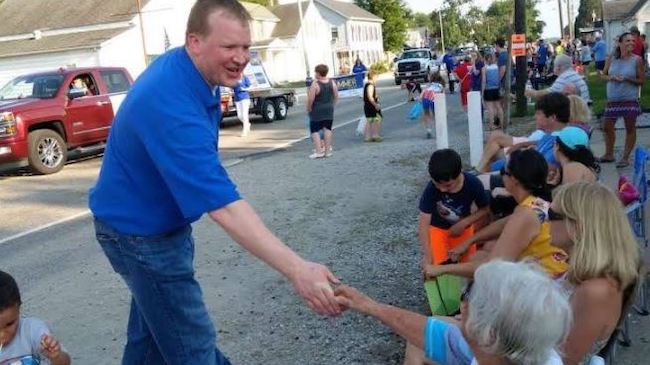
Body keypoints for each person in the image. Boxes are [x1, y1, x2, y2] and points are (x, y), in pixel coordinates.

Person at [88, 1, 341, 364]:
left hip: (150, 227)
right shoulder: (170, 102)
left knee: (151, 345)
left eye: (245, 47)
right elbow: (222, 205)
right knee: (193, 349)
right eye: (229, 47)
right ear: (194, 41)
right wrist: (298, 270)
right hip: (139, 237)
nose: (241, 58)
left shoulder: (192, 72)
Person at [334, 260, 572, 365]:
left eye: (469, 295)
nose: (463, 303)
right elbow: (433, 335)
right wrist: (369, 306)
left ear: (487, 334)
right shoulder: (517, 350)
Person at [435, 149, 570, 279]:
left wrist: (442, 269)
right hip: (557, 269)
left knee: (479, 260)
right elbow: (502, 224)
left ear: (515, 179)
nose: (501, 176)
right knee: (481, 253)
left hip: (547, 282)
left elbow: (493, 267)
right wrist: (469, 241)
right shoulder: (537, 203)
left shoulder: (525, 213)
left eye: (503, 171)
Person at [549, 183, 641, 364]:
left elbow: (562, 360)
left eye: (551, 215)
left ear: (578, 226)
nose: (544, 221)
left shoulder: (596, 290)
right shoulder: (591, 276)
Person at [418, 149, 489, 273]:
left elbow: (485, 209)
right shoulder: (431, 189)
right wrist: (427, 255)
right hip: (438, 230)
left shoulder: (473, 184)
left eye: (448, 185)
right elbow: (423, 223)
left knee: (467, 266)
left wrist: (464, 223)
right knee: (438, 267)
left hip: (464, 230)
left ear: (460, 172)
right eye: (437, 184)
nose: (442, 190)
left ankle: (465, 292)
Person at [0, 271, 71, 365]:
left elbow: (65, 363)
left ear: (18, 308)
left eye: (9, 324)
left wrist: (56, 356)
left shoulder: (33, 331)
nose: (2, 334)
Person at [599, 32, 645, 168]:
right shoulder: (611, 58)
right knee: (607, 127)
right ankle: (609, 154)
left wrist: (627, 79)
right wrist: (611, 78)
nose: (631, 43)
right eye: (627, 41)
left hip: (629, 99)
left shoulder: (637, 60)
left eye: (632, 41)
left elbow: (642, 81)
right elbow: (603, 75)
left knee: (630, 127)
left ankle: (625, 157)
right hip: (613, 99)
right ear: (620, 43)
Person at [525, 54, 591, 103]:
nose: (554, 68)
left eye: (554, 65)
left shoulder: (564, 77)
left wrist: (532, 93)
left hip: (575, 115)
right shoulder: (574, 74)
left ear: (559, 67)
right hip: (582, 111)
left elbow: (548, 93)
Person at [307, 63, 338, 159]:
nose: (315, 74)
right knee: (327, 129)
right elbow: (336, 95)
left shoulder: (315, 84)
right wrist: (332, 104)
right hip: (329, 108)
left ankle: (319, 151)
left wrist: (309, 108)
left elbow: (311, 99)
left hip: (317, 109)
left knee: (314, 130)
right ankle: (327, 151)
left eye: (315, 72)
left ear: (318, 73)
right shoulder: (332, 82)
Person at [420, 72, 445, 139]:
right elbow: (442, 95)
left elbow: (424, 91)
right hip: (434, 97)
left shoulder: (429, 84)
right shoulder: (441, 85)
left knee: (426, 114)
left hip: (426, 97)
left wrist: (420, 98)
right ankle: (439, 131)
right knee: (436, 115)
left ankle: (429, 130)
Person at [482, 53, 503, 131]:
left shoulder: (484, 68)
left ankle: (491, 125)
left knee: (490, 108)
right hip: (496, 88)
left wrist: (482, 91)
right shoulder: (497, 67)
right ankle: (502, 123)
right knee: (498, 107)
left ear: (485, 60)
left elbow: (484, 80)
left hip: (488, 89)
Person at [363, 69, 382, 142]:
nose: (377, 79)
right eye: (376, 77)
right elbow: (370, 96)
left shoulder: (367, 85)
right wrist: (375, 104)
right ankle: (375, 135)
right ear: (373, 77)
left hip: (368, 105)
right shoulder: (370, 85)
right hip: (371, 106)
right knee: (377, 119)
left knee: (370, 120)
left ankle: (368, 137)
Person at [233, 72, 251, 137]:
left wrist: (244, 89)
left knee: (244, 114)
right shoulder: (234, 79)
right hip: (237, 99)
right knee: (239, 116)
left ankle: (245, 131)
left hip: (245, 98)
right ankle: (247, 124)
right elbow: (232, 87)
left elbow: (250, 86)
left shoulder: (245, 77)